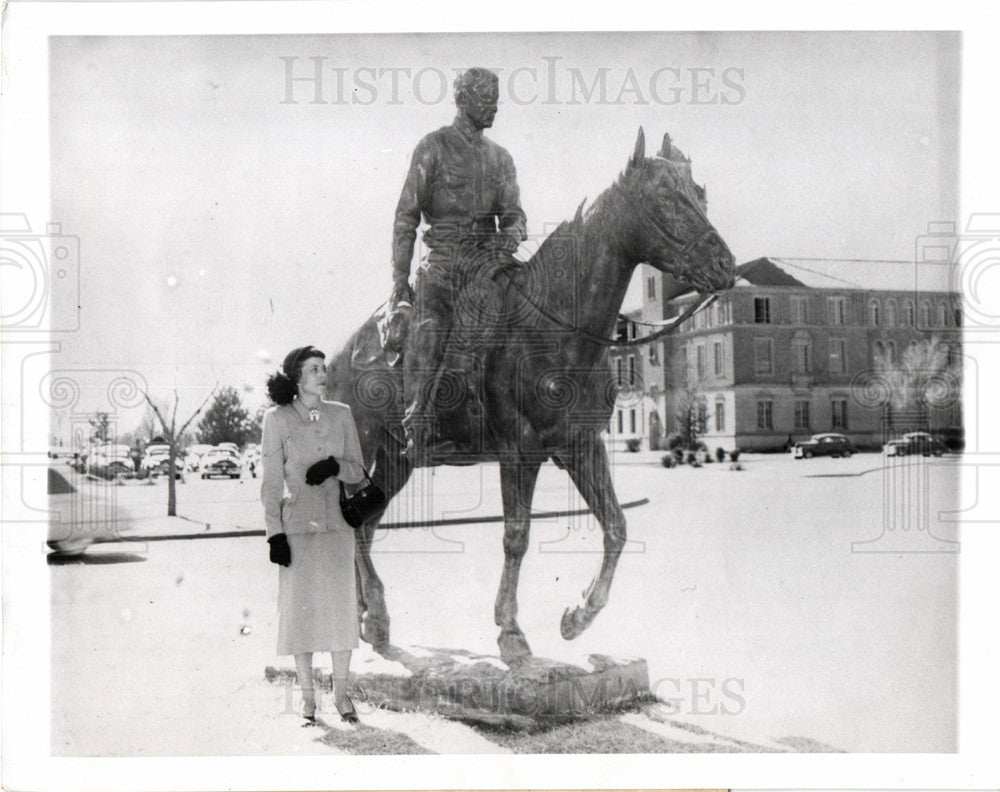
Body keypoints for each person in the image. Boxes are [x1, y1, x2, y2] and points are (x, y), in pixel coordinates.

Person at [390, 66, 527, 465]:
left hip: (490, 262)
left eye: (497, 101)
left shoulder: (501, 158)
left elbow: (515, 215)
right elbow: (405, 217)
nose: (494, 108)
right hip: (444, 263)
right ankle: (419, 427)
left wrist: (512, 235)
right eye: (487, 100)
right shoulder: (432, 147)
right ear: (463, 100)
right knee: (430, 328)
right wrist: (400, 279)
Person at [260, 345, 366, 724]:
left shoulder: (342, 415)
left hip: (338, 529)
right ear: (298, 377)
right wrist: (275, 534)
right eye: (315, 369)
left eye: (324, 368)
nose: (323, 374)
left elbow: (358, 471)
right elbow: (271, 482)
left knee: (340, 615)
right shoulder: (277, 420)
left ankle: (342, 696)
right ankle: (307, 700)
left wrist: (336, 465)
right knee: (300, 616)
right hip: (297, 531)